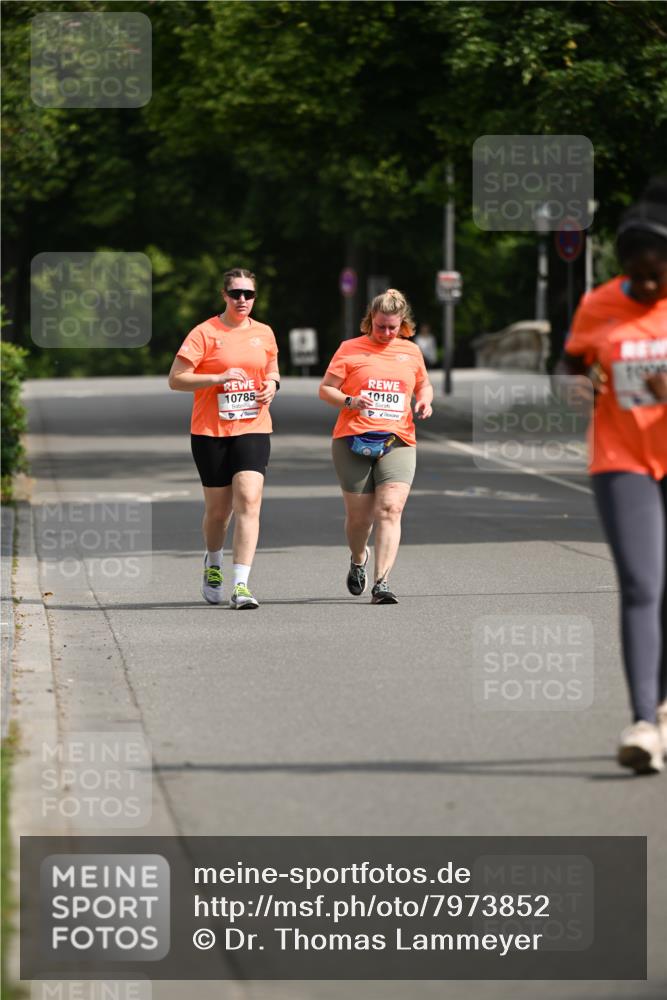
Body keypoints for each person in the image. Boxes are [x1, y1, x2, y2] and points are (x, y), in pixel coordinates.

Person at [556, 179, 667, 774]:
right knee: (642, 585)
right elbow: (572, 360)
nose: (645, 287)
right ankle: (644, 722)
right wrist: (573, 385)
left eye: (657, 276)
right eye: (635, 275)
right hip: (622, 459)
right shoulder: (599, 304)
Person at [168, 268, 280, 609]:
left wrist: (272, 385)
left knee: (249, 499)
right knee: (219, 512)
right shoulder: (205, 333)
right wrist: (217, 378)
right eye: (236, 293)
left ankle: (241, 584)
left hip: (253, 426)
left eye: (249, 294)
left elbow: (272, 368)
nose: (242, 299)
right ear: (224, 295)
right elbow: (176, 379)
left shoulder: (264, 332)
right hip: (210, 431)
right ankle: (213, 561)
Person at [319, 288, 433, 604]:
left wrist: (424, 400)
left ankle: (382, 582)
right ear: (371, 319)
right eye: (380, 326)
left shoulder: (411, 352)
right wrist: (350, 400)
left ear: (402, 324)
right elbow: (326, 389)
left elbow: (424, 385)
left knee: (390, 508)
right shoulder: (350, 349)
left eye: (392, 327)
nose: (386, 333)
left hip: (399, 439)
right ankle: (359, 559)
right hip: (352, 439)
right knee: (360, 519)